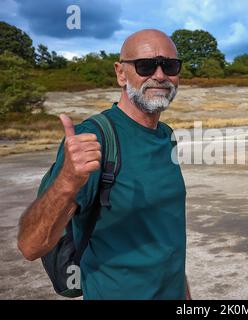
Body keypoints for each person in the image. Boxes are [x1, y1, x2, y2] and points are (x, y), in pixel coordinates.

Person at [17, 29, 190, 300]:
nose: (159, 75)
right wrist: (66, 182)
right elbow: (30, 246)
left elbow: (167, 236)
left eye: (170, 65)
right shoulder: (94, 137)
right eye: (145, 66)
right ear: (121, 73)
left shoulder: (165, 135)